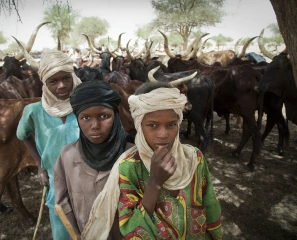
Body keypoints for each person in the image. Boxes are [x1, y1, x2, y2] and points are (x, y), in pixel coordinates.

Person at [82, 82, 222, 240]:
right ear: (139, 125)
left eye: (171, 125)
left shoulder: (194, 157)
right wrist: (154, 182)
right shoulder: (130, 167)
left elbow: (210, 205)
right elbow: (130, 230)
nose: (163, 134)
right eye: (153, 125)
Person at [54, 80, 134, 239]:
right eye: (85, 118)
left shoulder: (133, 155)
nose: (95, 125)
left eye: (104, 116)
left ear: (116, 116)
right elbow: (62, 203)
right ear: (77, 118)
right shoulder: (68, 156)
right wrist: (76, 234)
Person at [16, 50, 82, 239]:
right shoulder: (33, 111)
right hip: (56, 180)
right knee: (62, 228)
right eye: (53, 81)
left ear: (73, 77)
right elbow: (23, 135)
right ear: (44, 83)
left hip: (87, 176)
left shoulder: (84, 105)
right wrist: (39, 165)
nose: (61, 86)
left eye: (66, 79)